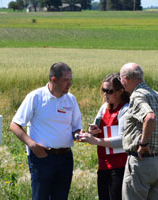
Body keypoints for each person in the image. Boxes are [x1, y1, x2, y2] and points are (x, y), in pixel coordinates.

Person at [9, 62, 83, 200]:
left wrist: (80, 135)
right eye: (66, 80)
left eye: (71, 79)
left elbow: (76, 128)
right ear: (54, 79)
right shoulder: (36, 97)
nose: (69, 83)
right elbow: (15, 125)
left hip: (65, 157)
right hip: (42, 157)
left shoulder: (71, 100)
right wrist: (32, 145)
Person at [119, 63, 158, 200]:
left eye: (121, 79)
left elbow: (150, 117)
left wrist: (143, 144)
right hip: (156, 163)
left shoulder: (137, 96)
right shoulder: (156, 95)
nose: (121, 83)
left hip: (140, 162)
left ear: (126, 79)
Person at [79, 73, 130, 200]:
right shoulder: (103, 108)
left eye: (109, 91)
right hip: (103, 164)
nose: (105, 94)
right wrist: (92, 131)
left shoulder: (125, 109)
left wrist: (96, 141)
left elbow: (123, 140)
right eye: (103, 90)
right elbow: (96, 127)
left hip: (120, 165)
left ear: (120, 91)